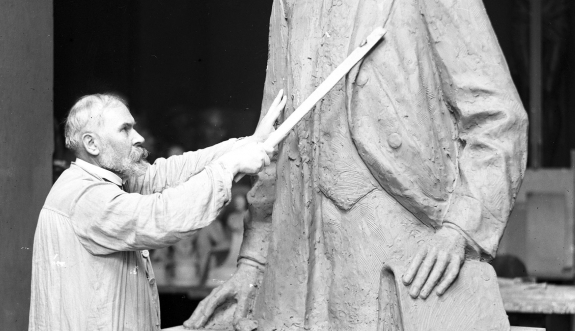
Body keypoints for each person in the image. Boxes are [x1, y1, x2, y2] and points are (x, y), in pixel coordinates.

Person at [184, 0, 528, 330]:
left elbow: (498, 118)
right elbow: (275, 133)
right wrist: (254, 262)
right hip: (293, 272)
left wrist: (461, 228)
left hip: (394, 255)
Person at [28, 93, 285, 331]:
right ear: (92, 144)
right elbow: (161, 217)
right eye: (125, 129)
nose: (138, 136)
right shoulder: (85, 197)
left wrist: (246, 146)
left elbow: (168, 174)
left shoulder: (106, 182)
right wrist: (230, 166)